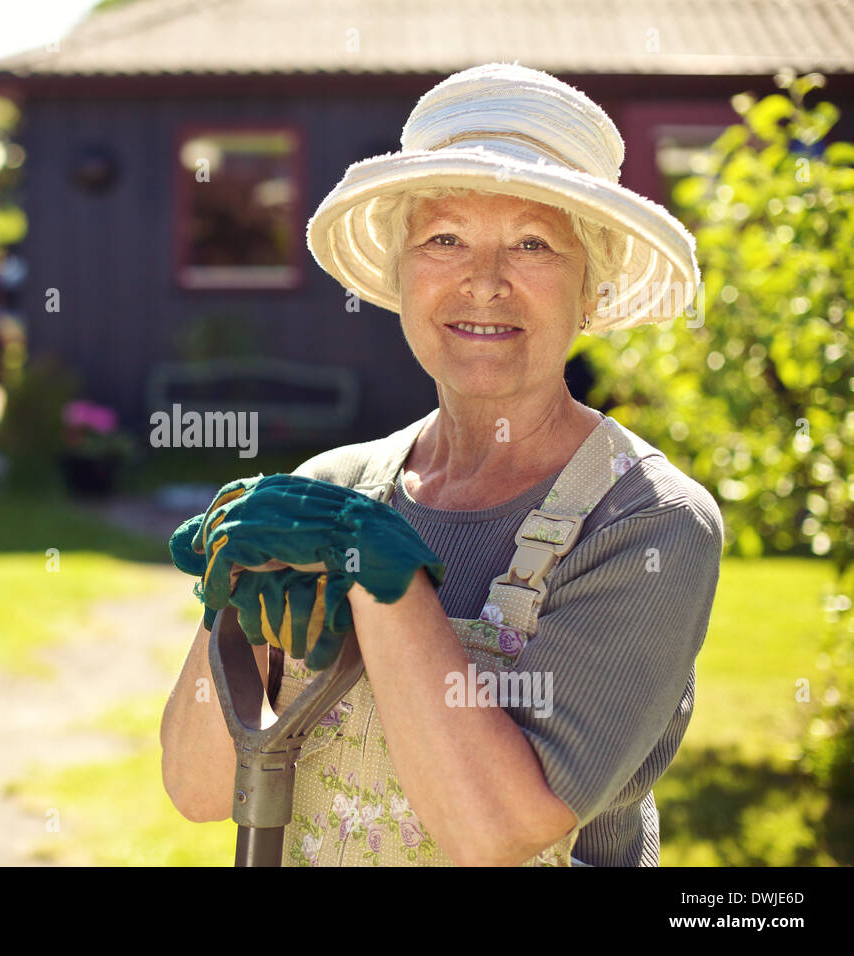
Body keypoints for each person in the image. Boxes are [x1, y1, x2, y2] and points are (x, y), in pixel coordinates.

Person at [159, 62, 724, 867]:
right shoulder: (333, 487)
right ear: (399, 274)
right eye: (444, 239)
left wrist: (380, 581)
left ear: (591, 288)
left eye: (533, 244)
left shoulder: (647, 521)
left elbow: (498, 832)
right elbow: (199, 788)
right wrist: (235, 614)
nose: (484, 283)